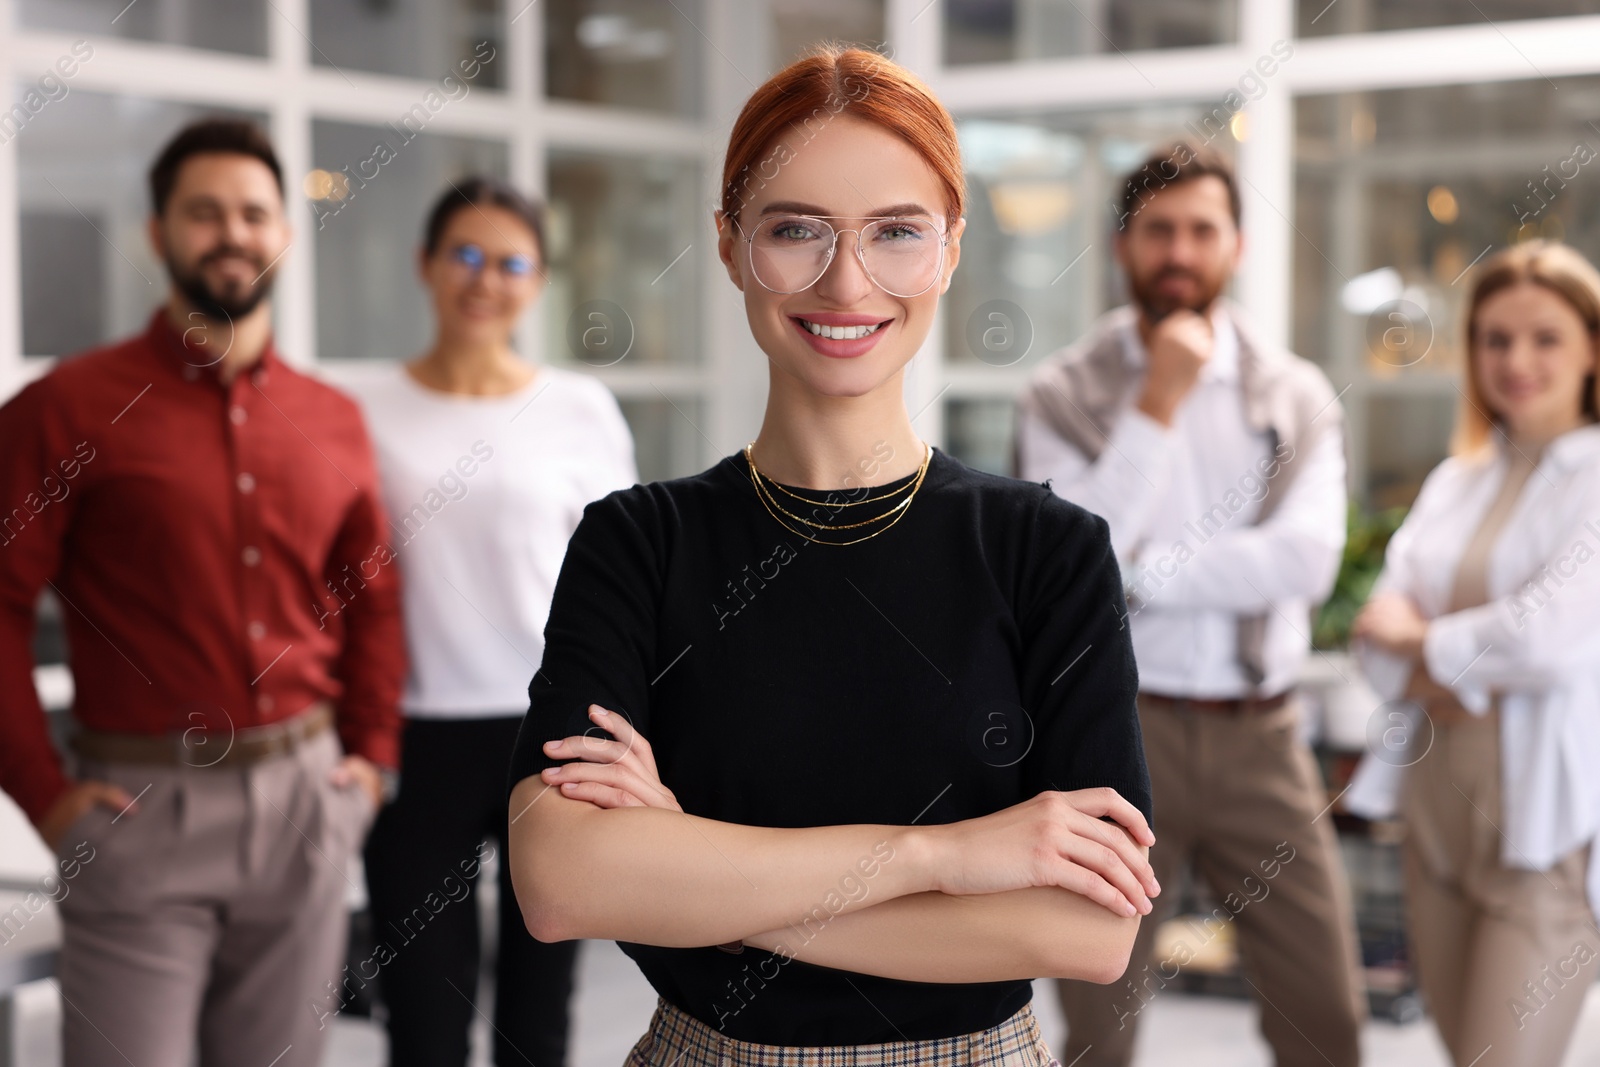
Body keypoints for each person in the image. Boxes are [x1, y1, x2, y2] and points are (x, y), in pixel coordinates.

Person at [505, 45, 1159, 1066]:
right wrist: (939, 856)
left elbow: (1088, 929)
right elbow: (559, 881)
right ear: (729, 246)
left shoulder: (1049, 552)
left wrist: (692, 876)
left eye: (895, 232)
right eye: (795, 229)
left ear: (949, 247)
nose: (845, 280)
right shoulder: (637, 542)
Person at [0, 117, 403, 1066]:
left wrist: (374, 759)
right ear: (157, 232)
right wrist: (46, 797)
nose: (233, 232)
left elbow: (372, 596)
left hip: (307, 805)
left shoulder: (332, 417)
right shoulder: (67, 407)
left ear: (286, 234)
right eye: (205, 212)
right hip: (140, 817)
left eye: (255, 212)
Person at [1015, 142, 1366, 1067]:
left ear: (1237, 245)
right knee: (1099, 1022)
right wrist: (1157, 402)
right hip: (1117, 733)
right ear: (1123, 243)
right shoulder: (1061, 391)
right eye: (1158, 229)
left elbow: (1306, 561)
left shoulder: (1293, 394)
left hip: (1264, 738)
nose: (1181, 250)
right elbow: (1069, 560)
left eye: (1201, 230)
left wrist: (1143, 572)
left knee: (1326, 1016)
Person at [348, 176, 636, 1067]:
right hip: (414, 736)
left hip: (549, 737)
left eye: (511, 262)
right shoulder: (358, 407)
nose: (484, 279)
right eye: (464, 255)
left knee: (537, 1018)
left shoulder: (579, 408)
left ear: (538, 281)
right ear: (425, 266)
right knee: (424, 1017)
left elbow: (618, 585)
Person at [1348, 240, 1600, 1067]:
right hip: (1434, 815)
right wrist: (1465, 664)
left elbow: (1552, 640)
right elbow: (1373, 627)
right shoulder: (1457, 479)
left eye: (1545, 337)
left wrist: (1428, 651)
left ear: (1592, 345)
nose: (1515, 360)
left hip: (1542, 832)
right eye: (1494, 338)